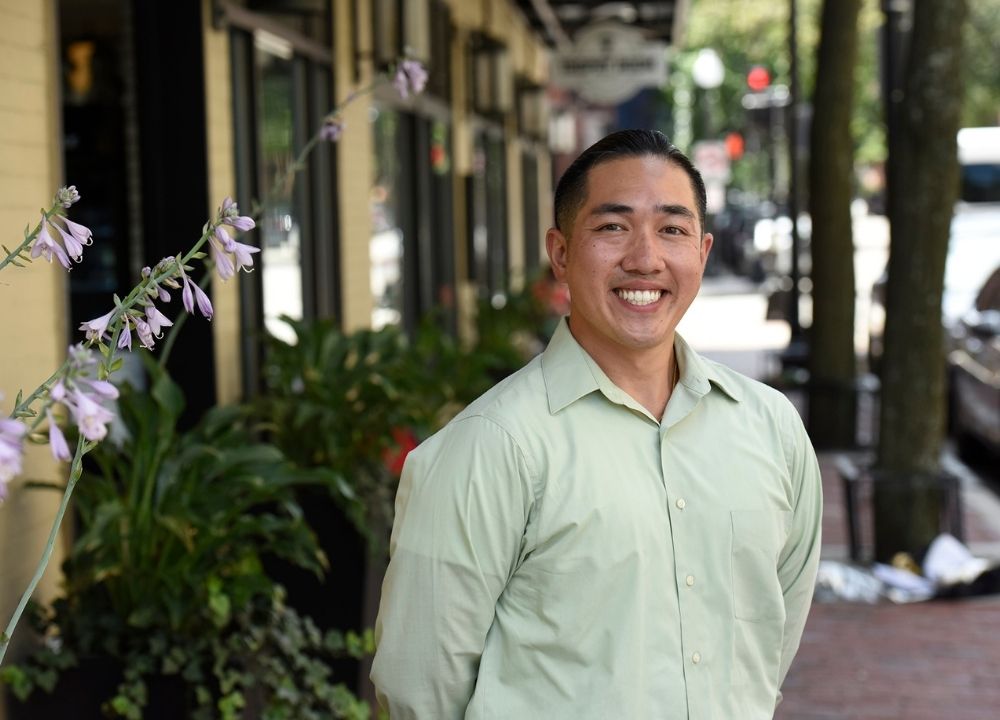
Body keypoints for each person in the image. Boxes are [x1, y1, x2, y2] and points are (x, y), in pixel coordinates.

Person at [370, 129, 823, 719]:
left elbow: (769, 640)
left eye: (672, 229)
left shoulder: (772, 430)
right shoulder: (490, 447)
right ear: (560, 253)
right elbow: (418, 689)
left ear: (703, 252)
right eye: (612, 227)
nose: (644, 258)